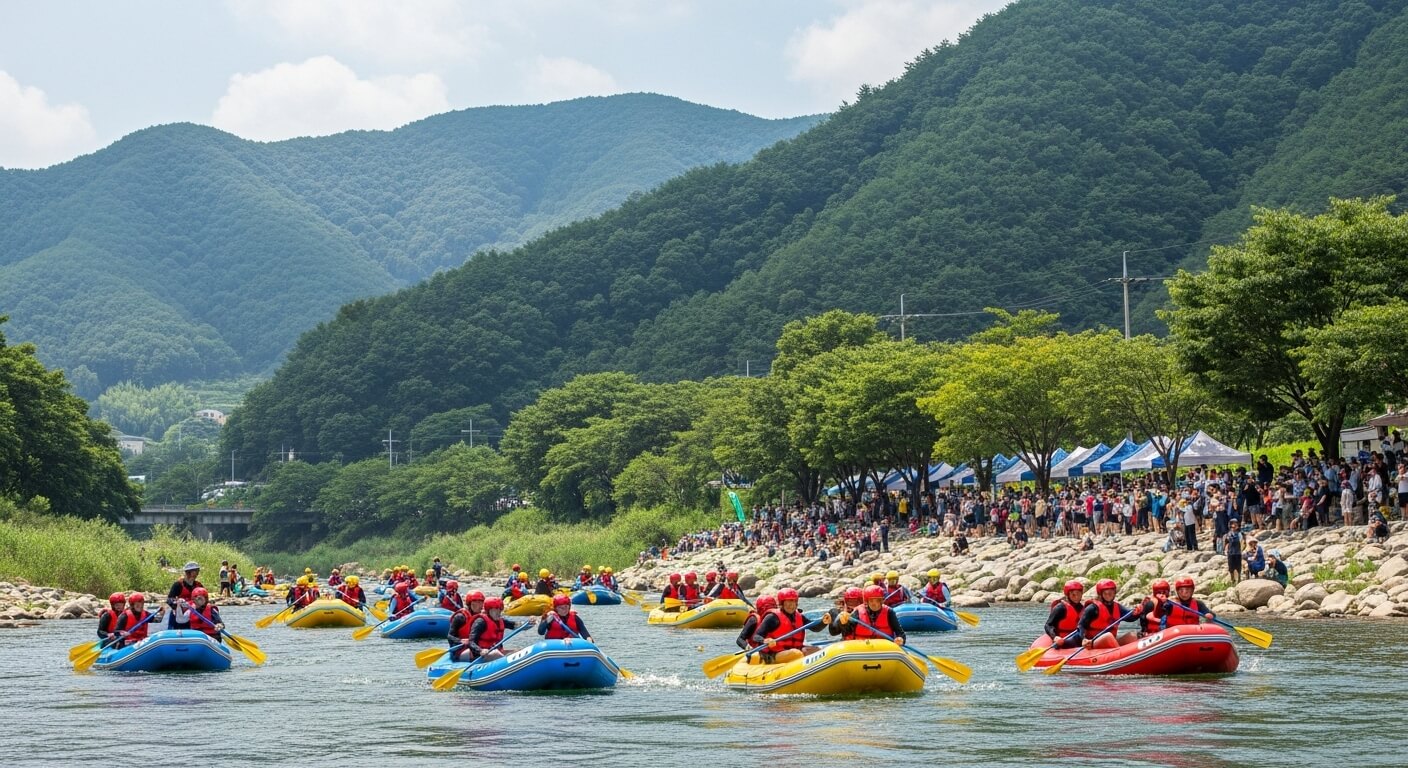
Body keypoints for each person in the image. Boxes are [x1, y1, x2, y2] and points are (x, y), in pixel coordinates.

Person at [750, 587, 830, 663]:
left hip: (795, 650)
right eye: (788, 603)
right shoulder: (772, 617)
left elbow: (815, 628)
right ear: (782, 604)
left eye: (793, 602)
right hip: (774, 653)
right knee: (796, 654)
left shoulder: (800, 617)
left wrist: (824, 622)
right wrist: (765, 640)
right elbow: (756, 636)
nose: (791, 606)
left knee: (817, 650)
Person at [833, 584, 906, 646]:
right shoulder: (858, 612)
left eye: (878, 600)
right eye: (872, 601)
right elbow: (847, 632)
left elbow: (900, 633)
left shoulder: (889, 612)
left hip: (883, 648)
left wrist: (900, 639)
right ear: (867, 601)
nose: (875, 604)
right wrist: (843, 623)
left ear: (882, 600)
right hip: (860, 648)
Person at [462, 597, 527, 663]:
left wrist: (528, 624)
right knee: (495, 654)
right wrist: (480, 650)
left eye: (500, 609)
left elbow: (515, 625)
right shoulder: (480, 622)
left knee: (517, 651)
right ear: (488, 610)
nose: (498, 612)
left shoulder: (501, 621)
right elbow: (471, 642)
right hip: (480, 655)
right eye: (495, 609)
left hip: (496, 652)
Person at [1078, 578, 1137, 648]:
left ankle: (1134, 655)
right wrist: (1084, 639)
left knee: (1132, 636)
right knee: (1108, 636)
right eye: (1105, 593)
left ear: (1114, 593)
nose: (1108, 595)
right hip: (1093, 642)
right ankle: (1119, 653)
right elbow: (1081, 626)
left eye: (1111, 593)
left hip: (1111, 641)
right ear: (1100, 594)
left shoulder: (1118, 607)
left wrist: (1138, 612)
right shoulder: (1092, 608)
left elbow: (1130, 617)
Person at [1044, 580, 1086, 649]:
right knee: (1075, 640)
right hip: (1062, 640)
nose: (1076, 597)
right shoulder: (1060, 608)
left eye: (1078, 594)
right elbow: (1048, 625)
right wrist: (1055, 637)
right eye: (1073, 594)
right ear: (1068, 595)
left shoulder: (1081, 608)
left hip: (1077, 637)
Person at [166, 561, 204, 628]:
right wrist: (176, 603)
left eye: (197, 572)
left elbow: (204, 599)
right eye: (194, 572)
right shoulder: (178, 585)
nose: (195, 575)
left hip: (193, 613)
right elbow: (169, 599)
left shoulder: (199, 585)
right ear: (187, 572)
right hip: (179, 613)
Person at [1224, 518, 1244, 583]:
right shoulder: (1228, 534)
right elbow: (1226, 543)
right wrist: (1225, 550)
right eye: (1232, 524)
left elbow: (1242, 542)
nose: (1233, 526)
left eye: (1235, 524)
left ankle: (1239, 579)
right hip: (1231, 553)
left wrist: (1242, 550)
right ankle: (1232, 579)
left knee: (1238, 566)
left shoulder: (1240, 534)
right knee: (1231, 567)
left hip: (1238, 553)